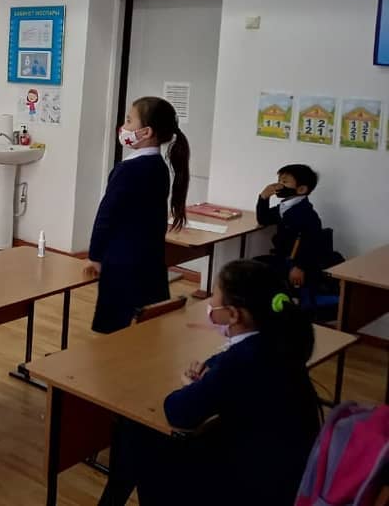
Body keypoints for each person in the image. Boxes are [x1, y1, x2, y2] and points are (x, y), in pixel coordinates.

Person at [140, 260, 320, 506]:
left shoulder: (243, 360)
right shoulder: (279, 340)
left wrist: (192, 386)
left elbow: (178, 411)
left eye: (214, 298)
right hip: (292, 470)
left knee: (149, 445)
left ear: (234, 314)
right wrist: (211, 374)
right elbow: (224, 363)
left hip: (259, 484)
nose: (210, 305)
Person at [86, 96, 190, 334]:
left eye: (129, 120)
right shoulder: (158, 166)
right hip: (149, 259)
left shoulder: (129, 170)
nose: (124, 126)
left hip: (122, 262)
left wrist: (95, 255)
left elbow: (106, 216)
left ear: (146, 132)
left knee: (116, 327)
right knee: (148, 326)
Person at [255, 163, 330, 291]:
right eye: (279, 181)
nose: (278, 185)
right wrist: (263, 198)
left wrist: (299, 267)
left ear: (301, 189)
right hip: (283, 258)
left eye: (284, 182)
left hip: (296, 263)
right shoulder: (284, 207)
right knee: (250, 265)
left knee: (254, 270)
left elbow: (312, 244)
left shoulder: (307, 214)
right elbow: (264, 219)